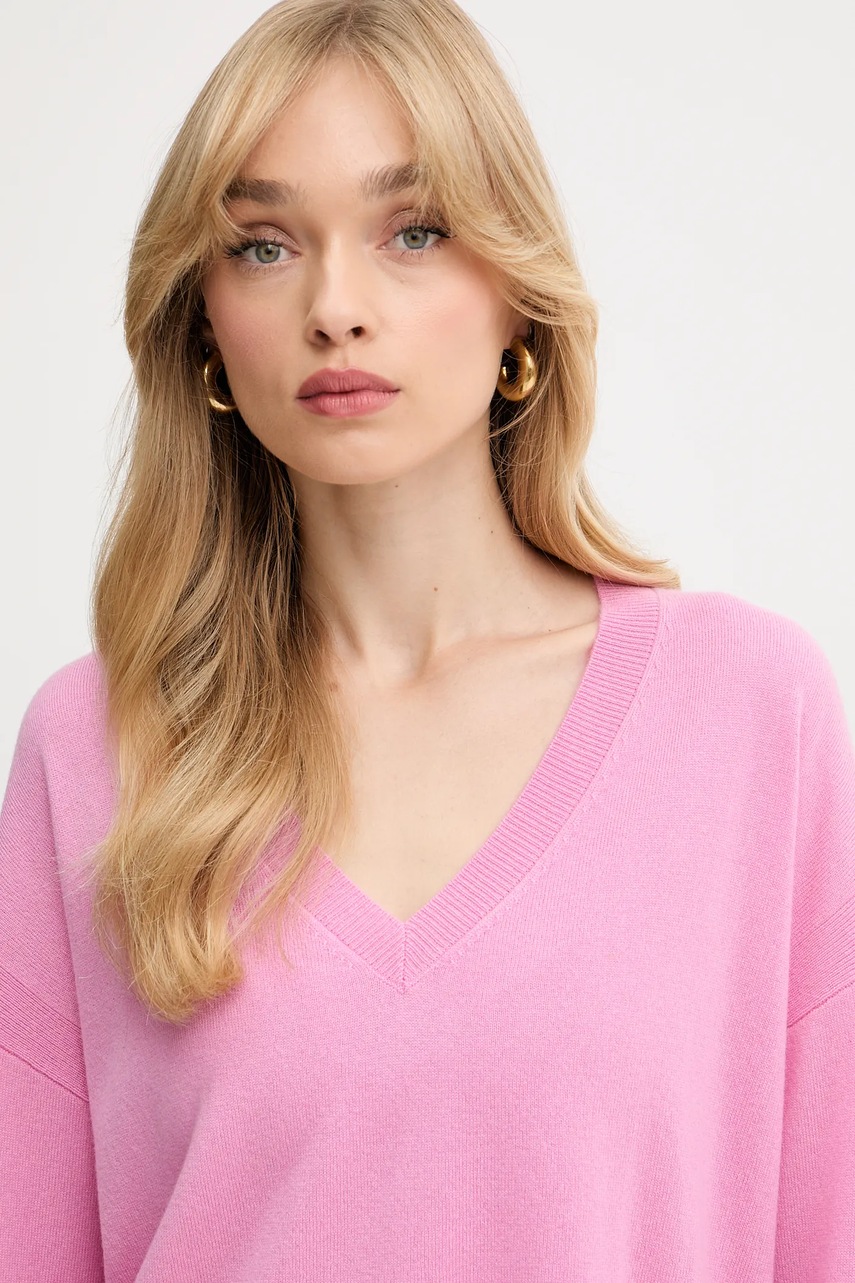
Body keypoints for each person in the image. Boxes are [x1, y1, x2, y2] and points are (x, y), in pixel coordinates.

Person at [1, 1, 853, 1279]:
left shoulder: (748, 714)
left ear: (517, 294)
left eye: (413, 230)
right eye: (265, 245)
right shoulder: (95, 748)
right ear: (206, 328)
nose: (337, 307)